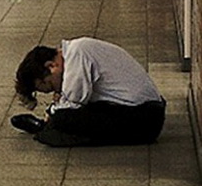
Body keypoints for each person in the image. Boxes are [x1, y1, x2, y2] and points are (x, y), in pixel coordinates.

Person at [11, 37, 166, 147]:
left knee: (63, 118)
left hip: (144, 120)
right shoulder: (76, 49)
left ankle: (45, 128)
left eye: (51, 85)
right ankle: (47, 129)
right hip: (145, 112)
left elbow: (73, 103)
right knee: (66, 116)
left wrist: (52, 111)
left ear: (52, 66)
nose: (55, 91)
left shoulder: (77, 55)